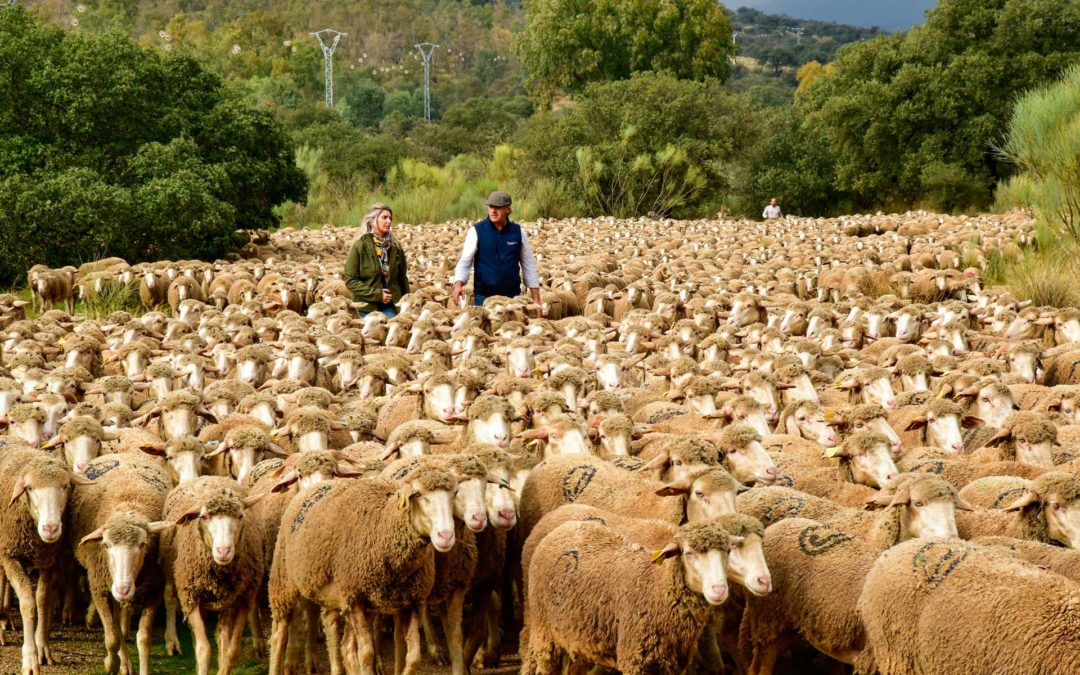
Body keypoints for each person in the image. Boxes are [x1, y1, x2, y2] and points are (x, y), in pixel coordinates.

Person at [451, 191, 543, 313]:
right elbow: (465, 262)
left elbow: (528, 265)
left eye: (498, 208)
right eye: (491, 207)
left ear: (508, 210)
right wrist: (458, 285)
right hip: (483, 297)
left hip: (512, 298)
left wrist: (536, 299)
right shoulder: (476, 231)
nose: (493, 211)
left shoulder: (518, 232)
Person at [344, 203, 410, 318]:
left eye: (390, 218)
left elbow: (402, 278)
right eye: (384, 217)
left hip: (391, 305)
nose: (388, 221)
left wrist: (407, 301)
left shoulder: (395, 247)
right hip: (366, 306)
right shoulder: (360, 246)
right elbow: (351, 280)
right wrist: (377, 295)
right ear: (372, 221)